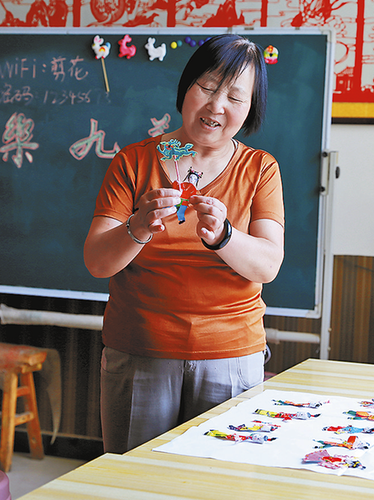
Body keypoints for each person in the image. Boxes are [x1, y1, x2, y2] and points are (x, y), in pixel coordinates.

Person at [84, 34, 284, 454]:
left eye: (234, 97)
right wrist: (138, 227)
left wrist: (225, 236)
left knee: (220, 480)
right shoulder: (134, 161)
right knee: (134, 478)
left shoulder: (260, 168)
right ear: (185, 87)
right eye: (207, 87)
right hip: (140, 349)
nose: (216, 106)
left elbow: (267, 265)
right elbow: (98, 262)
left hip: (231, 353)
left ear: (250, 108)